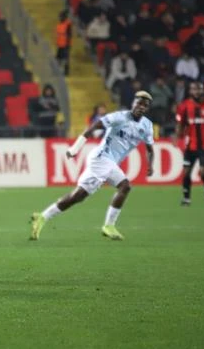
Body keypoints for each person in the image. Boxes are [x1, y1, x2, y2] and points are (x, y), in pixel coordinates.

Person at [31, 92, 155, 241]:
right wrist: (75, 149)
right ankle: (45, 217)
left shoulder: (147, 125)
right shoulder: (119, 117)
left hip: (109, 163)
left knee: (88, 194)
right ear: (133, 103)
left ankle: (43, 217)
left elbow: (149, 148)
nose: (141, 107)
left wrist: (150, 165)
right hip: (102, 159)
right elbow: (92, 128)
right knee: (87, 194)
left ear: (147, 108)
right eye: (139, 103)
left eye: (144, 105)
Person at [175, 81, 204, 207]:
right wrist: (177, 136)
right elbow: (180, 124)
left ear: (203, 90)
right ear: (190, 91)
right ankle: (186, 198)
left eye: (198, 89)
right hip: (190, 146)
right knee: (186, 172)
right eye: (193, 89)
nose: (196, 92)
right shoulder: (184, 106)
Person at [55, 10, 71, 74]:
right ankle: (58, 70)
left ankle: (66, 71)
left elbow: (69, 34)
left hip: (65, 44)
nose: (60, 18)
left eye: (61, 16)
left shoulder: (67, 24)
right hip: (60, 44)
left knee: (65, 58)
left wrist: (67, 44)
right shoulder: (59, 25)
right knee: (58, 58)